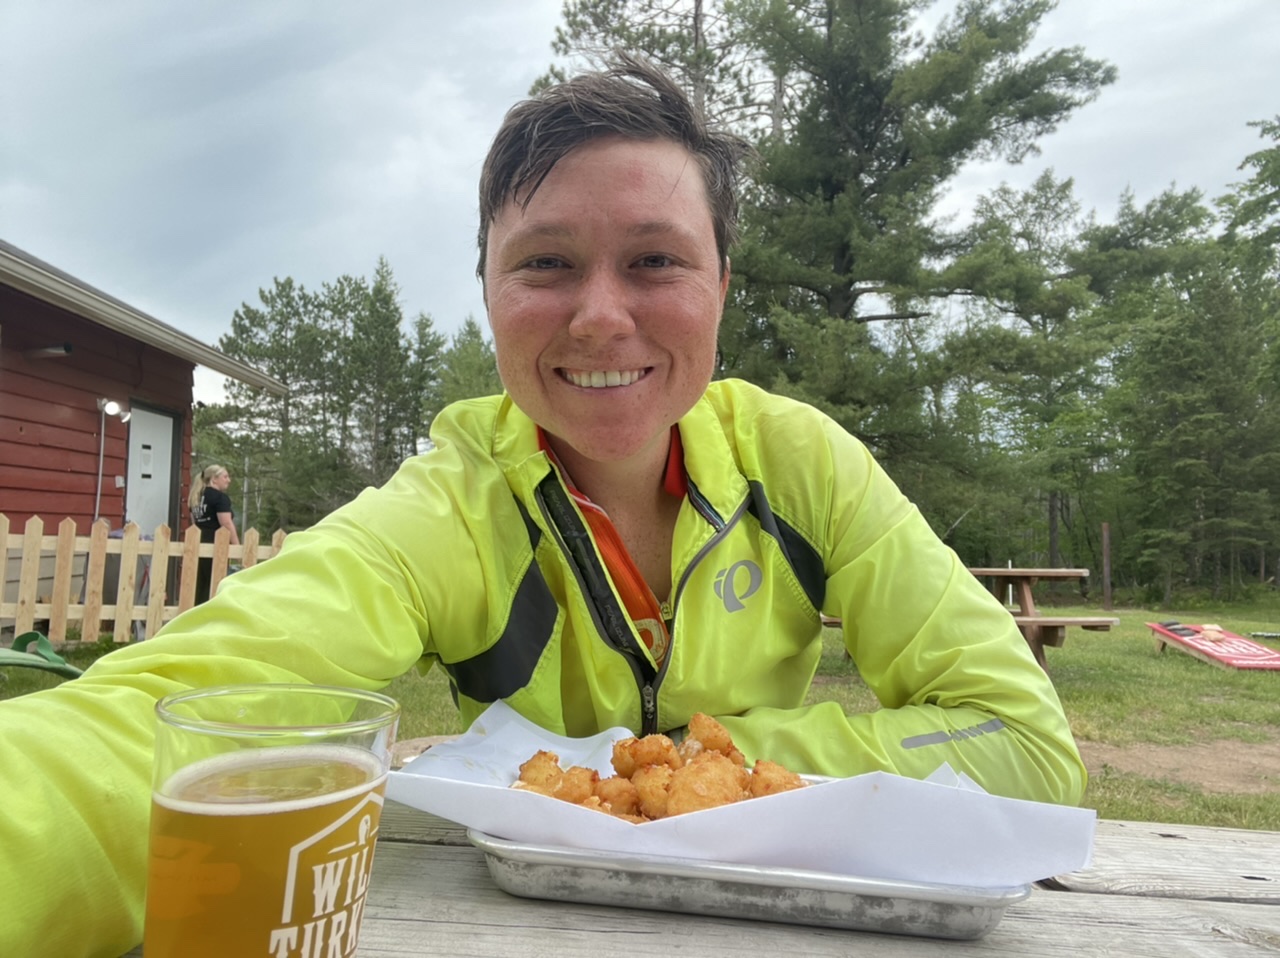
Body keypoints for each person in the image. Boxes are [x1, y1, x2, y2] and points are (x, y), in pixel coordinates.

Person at [0, 55, 1085, 957]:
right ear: (487, 296)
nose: (599, 316)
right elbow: (162, 718)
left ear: (719, 288)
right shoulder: (451, 505)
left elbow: (1025, 745)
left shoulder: (802, 464)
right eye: (546, 263)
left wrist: (683, 766)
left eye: (655, 259)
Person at [187, 463, 240, 604]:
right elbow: (226, 523)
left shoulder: (195, 497)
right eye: (225, 476)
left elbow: (195, 523)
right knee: (216, 584)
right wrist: (237, 547)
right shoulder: (219, 498)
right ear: (214, 479)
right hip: (216, 546)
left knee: (200, 585)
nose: (228, 480)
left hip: (198, 545)